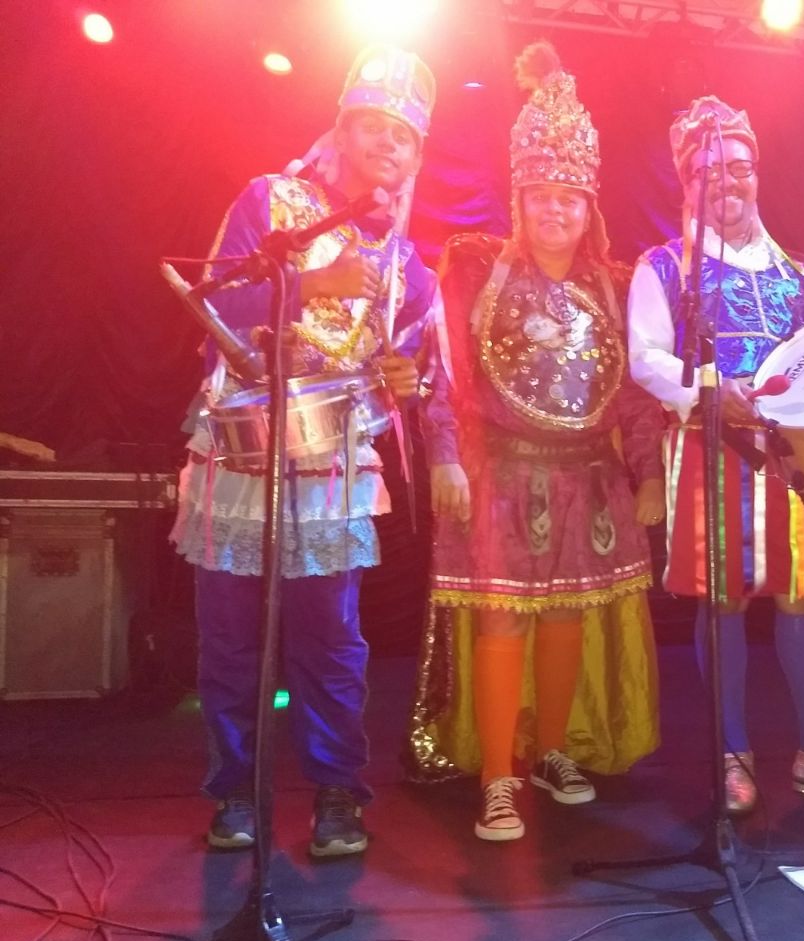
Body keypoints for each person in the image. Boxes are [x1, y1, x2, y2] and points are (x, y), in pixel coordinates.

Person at [169, 45, 438, 855]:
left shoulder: (409, 266)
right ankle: (236, 792)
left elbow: (406, 368)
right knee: (230, 636)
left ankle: (336, 794)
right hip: (240, 453)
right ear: (341, 129)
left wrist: (405, 378)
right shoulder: (271, 201)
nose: (388, 143)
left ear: (415, 159)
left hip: (331, 461)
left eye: (405, 136)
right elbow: (213, 302)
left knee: (331, 639)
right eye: (374, 125)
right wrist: (310, 285)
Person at [628, 96, 804, 816]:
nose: (728, 181)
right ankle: (731, 754)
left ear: (758, 175)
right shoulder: (665, 269)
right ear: (687, 184)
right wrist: (711, 387)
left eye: (741, 168)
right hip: (711, 449)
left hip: (790, 457)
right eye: (710, 171)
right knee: (721, 598)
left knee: (803, 592)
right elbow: (645, 357)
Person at [420, 41, 667, 842]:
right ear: (519, 202)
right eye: (541, 198)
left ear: (589, 207)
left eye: (570, 198)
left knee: (566, 617)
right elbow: (445, 370)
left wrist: (650, 472)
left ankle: (553, 750)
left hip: (589, 480)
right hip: (503, 473)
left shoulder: (615, 286)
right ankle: (498, 777)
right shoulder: (474, 270)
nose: (556, 211)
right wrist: (445, 455)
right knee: (504, 621)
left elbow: (635, 393)